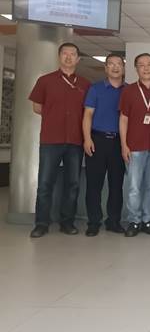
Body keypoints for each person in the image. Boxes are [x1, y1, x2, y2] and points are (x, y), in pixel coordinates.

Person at [29, 42, 91, 238]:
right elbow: (37, 107)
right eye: (65, 53)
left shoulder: (85, 84)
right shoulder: (45, 81)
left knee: (72, 184)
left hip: (75, 141)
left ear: (78, 59)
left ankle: (67, 222)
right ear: (59, 56)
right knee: (45, 183)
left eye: (73, 54)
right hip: (51, 139)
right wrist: (54, 116)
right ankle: (41, 223)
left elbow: (88, 113)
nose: (69, 57)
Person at [119, 53, 150, 237]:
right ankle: (134, 221)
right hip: (134, 146)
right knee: (134, 187)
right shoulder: (128, 91)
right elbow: (123, 119)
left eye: (149, 64)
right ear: (136, 69)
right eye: (141, 65)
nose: (146, 68)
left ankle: (147, 220)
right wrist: (124, 145)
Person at [82, 54, 126, 237]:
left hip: (118, 143)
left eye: (118, 64)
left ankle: (113, 221)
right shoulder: (95, 89)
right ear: (106, 68)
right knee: (94, 185)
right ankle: (94, 222)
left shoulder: (129, 90)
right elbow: (87, 115)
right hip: (97, 141)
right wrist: (87, 139)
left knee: (116, 185)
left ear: (123, 68)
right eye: (111, 64)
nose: (115, 67)